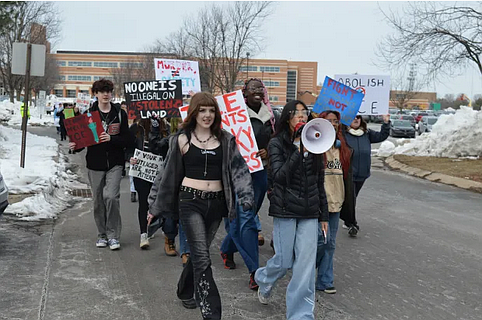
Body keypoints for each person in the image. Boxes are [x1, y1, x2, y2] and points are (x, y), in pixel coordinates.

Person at [148, 92, 254, 319]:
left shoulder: (225, 139)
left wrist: (246, 196)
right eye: (202, 110)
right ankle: (212, 313)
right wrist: (153, 205)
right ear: (194, 113)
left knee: (199, 253)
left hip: (216, 204)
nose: (207, 115)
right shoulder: (181, 139)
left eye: (211, 110)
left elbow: (240, 170)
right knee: (203, 258)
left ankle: (185, 290)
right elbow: (165, 175)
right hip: (190, 202)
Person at [255, 100, 329, 320]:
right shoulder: (277, 144)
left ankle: (301, 315)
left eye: (304, 114)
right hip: (285, 210)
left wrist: (323, 215)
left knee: (305, 268)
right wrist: (299, 150)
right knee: (284, 261)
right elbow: (278, 176)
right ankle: (264, 279)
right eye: (296, 114)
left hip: (309, 213)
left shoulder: (317, 142)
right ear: (287, 118)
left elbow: (319, 182)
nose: (301, 118)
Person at [219, 78, 276, 289]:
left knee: (249, 216)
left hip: (260, 171)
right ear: (245, 92)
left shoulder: (270, 116)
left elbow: (274, 140)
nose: (258, 91)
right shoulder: (234, 114)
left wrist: (267, 151)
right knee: (245, 221)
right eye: (254, 88)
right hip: (237, 172)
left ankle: (226, 248)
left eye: (261, 88)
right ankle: (255, 271)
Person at [69, 79, 133, 250]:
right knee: (98, 201)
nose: (106, 94)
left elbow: (127, 139)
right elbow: (82, 141)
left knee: (111, 197)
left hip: (115, 163)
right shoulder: (88, 114)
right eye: (102, 91)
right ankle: (102, 234)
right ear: (95, 94)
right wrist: (75, 147)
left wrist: (112, 139)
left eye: (109, 91)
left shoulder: (119, 114)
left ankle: (113, 235)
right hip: (95, 163)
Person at [315, 110, 354, 294]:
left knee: (330, 243)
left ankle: (325, 280)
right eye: (328, 121)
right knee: (321, 242)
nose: (333, 124)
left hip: (336, 201)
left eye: (335, 121)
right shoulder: (314, 146)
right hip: (319, 203)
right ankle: (303, 269)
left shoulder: (342, 147)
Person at [342, 114, 390, 236]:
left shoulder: (367, 133)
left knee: (352, 198)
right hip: (348, 173)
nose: (356, 119)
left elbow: (382, 136)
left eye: (358, 117)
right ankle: (352, 224)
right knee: (350, 198)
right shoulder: (343, 135)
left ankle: (346, 217)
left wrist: (386, 123)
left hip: (362, 173)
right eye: (353, 117)